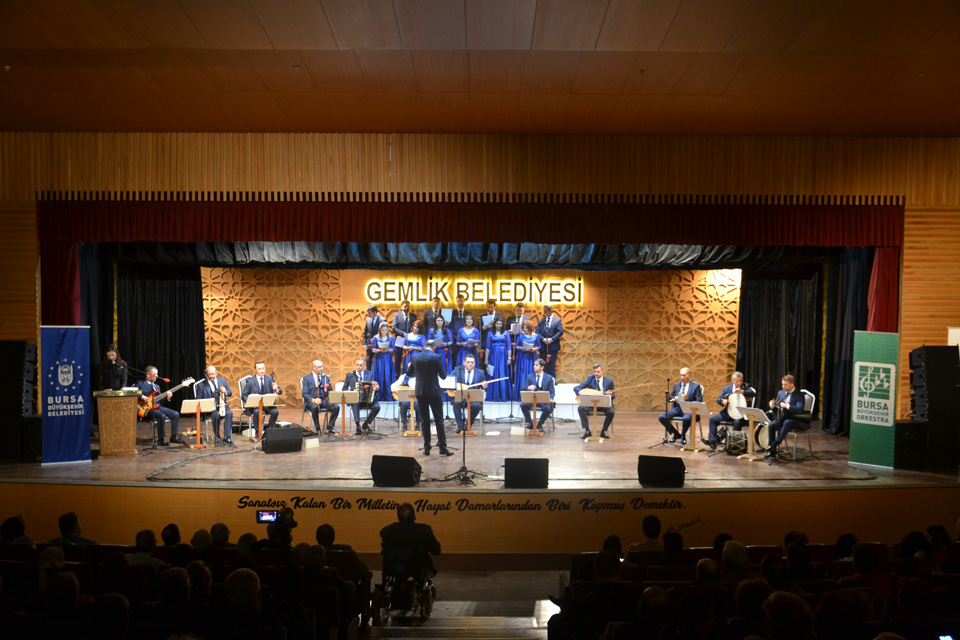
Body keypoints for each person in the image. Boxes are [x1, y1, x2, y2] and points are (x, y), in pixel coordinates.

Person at [407, 342, 452, 456]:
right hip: (434, 392)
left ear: (424, 347)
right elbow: (443, 376)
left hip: (420, 392)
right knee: (439, 420)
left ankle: (427, 448)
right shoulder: (436, 357)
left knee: (424, 420)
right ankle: (442, 448)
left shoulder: (415, 357)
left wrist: (410, 366)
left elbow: (409, 373)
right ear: (434, 348)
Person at [379, 502, 441, 580]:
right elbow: (436, 551)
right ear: (414, 517)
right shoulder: (424, 532)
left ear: (398, 517)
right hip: (417, 569)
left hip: (393, 568)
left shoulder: (387, 531)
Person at [704, 371, 756, 450]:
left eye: (741, 381)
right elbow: (719, 399)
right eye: (737, 381)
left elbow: (753, 393)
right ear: (732, 381)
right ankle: (713, 442)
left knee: (737, 423)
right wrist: (723, 401)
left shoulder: (746, 386)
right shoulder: (727, 388)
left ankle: (732, 444)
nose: (739, 383)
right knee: (712, 419)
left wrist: (743, 391)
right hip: (728, 412)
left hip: (740, 416)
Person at [137, 365, 183, 446]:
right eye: (155, 374)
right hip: (147, 409)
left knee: (176, 414)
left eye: (157, 374)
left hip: (158, 407)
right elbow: (132, 392)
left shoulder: (157, 387)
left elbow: (162, 401)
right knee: (162, 416)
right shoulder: (140, 384)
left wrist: (168, 398)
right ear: (148, 374)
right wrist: (142, 397)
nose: (157, 376)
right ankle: (161, 439)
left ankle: (173, 437)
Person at [765, 374, 806, 460]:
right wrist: (772, 406)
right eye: (782, 384)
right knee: (772, 425)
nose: (782, 386)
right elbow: (777, 407)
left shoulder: (799, 394)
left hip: (795, 419)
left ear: (792, 385)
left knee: (787, 423)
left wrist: (786, 406)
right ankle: (771, 453)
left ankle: (774, 444)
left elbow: (799, 409)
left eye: (785, 385)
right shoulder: (781, 393)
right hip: (783, 418)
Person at [658, 367, 703, 445]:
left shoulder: (695, 386)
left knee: (686, 418)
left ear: (689, 375)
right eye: (681, 375)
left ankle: (683, 434)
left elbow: (699, 400)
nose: (682, 377)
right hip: (677, 408)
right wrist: (675, 398)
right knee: (662, 417)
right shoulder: (676, 385)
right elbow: (670, 397)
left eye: (684, 375)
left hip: (689, 409)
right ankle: (676, 434)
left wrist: (688, 402)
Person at [195, 365, 235, 446]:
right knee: (216, 415)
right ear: (206, 374)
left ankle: (227, 437)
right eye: (210, 374)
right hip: (210, 408)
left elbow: (230, 393)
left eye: (213, 374)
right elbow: (198, 399)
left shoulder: (222, 381)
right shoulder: (201, 385)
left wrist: (225, 391)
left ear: (216, 373)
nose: (212, 376)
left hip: (222, 405)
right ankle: (217, 437)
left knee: (229, 413)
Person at [574, 363, 616, 439]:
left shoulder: (609, 381)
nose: (596, 373)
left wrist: (609, 394)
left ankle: (604, 431)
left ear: (602, 371)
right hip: (592, 404)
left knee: (611, 412)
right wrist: (581, 393)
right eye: (594, 372)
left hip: (604, 404)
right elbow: (576, 388)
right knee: (580, 408)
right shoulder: (590, 379)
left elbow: (613, 396)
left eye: (598, 372)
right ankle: (587, 431)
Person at [241, 361, 282, 432]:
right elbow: (244, 395)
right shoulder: (250, 381)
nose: (262, 370)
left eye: (263, 368)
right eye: (259, 369)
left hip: (267, 405)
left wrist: (276, 389)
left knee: (275, 412)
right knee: (257, 412)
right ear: (255, 370)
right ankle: (258, 431)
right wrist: (251, 403)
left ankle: (269, 431)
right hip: (255, 406)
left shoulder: (269, 379)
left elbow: (280, 391)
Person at [301, 360, 339, 434]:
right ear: (314, 368)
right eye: (320, 367)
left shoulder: (325, 378)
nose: (322, 368)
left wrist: (330, 396)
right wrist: (313, 400)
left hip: (324, 400)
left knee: (336, 407)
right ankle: (318, 428)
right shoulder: (307, 378)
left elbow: (330, 390)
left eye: (322, 366)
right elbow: (304, 393)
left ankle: (330, 427)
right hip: (312, 401)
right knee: (314, 407)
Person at [344, 356, 380, 434]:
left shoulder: (369, 374)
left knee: (377, 407)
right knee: (355, 402)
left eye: (360, 365)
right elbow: (344, 388)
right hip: (356, 399)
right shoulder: (350, 375)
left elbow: (374, 385)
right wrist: (350, 393)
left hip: (368, 399)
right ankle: (358, 426)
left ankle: (366, 424)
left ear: (364, 365)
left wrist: (377, 388)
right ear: (355, 365)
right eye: (357, 365)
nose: (358, 367)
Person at [452, 354, 487, 433]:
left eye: (472, 362)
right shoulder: (457, 370)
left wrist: (485, 386)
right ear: (464, 362)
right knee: (455, 403)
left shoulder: (480, 373)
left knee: (476, 406)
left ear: (474, 363)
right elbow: (450, 380)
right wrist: (453, 388)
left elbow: (484, 388)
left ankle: (468, 425)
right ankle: (460, 426)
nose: (470, 364)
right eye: (468, 362)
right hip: (461, 398)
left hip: (474, 400)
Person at [521, 358, 555, 433]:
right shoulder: (530, 377)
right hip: (532, 399)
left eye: (536, 365)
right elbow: (523, 388)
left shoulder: (549, 378)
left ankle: (539, 424)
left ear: (542, 367)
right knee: (523, 405)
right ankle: (530, 423)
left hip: (543, 400)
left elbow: (552, 392)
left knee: (548, 409)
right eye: (534, 365)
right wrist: (528, 387)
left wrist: (549, 398)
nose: (534, 366)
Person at [512, 320, 542, 401]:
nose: (524, 329)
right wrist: (522, 348)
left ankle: (531, 396)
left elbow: (540, 346)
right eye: (523, 328)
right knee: (522, 374)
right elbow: (516, 346)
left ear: (530, 328)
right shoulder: (521, 336)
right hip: (522, 357)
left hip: (532, 356)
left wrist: (534, 349)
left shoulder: (536, 336)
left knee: (531, 373)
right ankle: (521, 395)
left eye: (526, 328)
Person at [483, 317, 512, 402]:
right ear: (494, 324)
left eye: (500, 324)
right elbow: (487, 347)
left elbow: (509, 346)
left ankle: (503, 395)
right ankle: (494, 395)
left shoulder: (506, 333)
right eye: (497, 323)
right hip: (493, 355)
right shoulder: (490, 333)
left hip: (503, 355)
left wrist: (509, 358)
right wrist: (486, 359)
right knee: (493, 373)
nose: (499, 325)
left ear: (503, 324)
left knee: (502, 373)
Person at [370, 322, 396, 402]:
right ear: (380, 330)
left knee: (387, 376)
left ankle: (388, 396)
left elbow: (394, 349)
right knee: (379, 376)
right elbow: (373, 349)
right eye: (383, 330)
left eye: (386, 330)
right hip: (378, 359)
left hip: (387, 358)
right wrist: (380, 350)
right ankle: (378, 396)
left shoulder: (391, 337)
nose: (384, 332)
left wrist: (387, 350)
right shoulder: (376, 337)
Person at [536, 304, 564, 378]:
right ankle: (543, 382)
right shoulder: (541, 321)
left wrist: (552, 339)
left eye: (546, 311)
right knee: (543, 366)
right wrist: (543, 339)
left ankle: (552, 382)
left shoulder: (557, 320)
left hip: (553, 346)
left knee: (552, 366)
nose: (544, 312)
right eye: (544, 311)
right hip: (543, 347)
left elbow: (560, 331)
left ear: (551, 310)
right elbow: (537, 332)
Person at [392, 300, 415, 375]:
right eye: (405, 306)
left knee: (408, 358)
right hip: (399, 339)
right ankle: (397, 375)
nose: (406, 308)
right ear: (401, 307)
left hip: (409, 339)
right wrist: (403, 334)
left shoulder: (413, 316)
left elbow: (415, 326)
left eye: (408, 306)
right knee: (397, 359)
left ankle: (408, 374)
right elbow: (394, 327)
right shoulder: (397, 315)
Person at [361, 304, 384, 369]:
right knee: (368, 362)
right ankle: (369, 375)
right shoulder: (368, 320)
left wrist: (376, 339)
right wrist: (364, 344)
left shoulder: (382, 320)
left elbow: (384, 334)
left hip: (378, 346)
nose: (368, 314)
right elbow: (365, 332)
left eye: (370, 313)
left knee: (378, 363)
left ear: (375, 312)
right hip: (369, 346)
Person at [449, 294, 470, 361]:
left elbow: (470, 325)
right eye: (458, 301)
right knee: (455, 358)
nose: (460, 302)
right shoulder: (452, 313)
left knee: (465, 358)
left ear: (464, 301)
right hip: (455, 340)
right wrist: (455, 336)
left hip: (465, 340)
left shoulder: (468, 313)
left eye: (461, 301)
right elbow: (450, 326)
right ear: (456, 301)